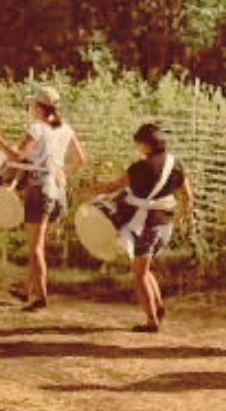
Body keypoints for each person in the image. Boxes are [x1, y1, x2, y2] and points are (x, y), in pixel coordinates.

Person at [81, 123, 192, 332]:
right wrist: (180, 218)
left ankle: (151, 321)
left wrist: (88, 190)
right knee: (145, 268)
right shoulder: (177, 164)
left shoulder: (139, 168)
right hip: (165, 223)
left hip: (145, 225)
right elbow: (188, 197)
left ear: (145, 145)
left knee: (139, 273)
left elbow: (112, 187)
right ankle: (158, 308)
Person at [0, 86, 86, 311]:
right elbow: (80, 159)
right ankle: (26, 290)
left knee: (35, 248)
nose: (30, 108)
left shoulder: (36, 128)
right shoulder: (65, 129)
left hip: (39, 188)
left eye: (32, 104)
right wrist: (64, 173)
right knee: (40, 245)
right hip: (58, 190)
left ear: (39, 107)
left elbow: (17, 156)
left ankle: (41, 296)